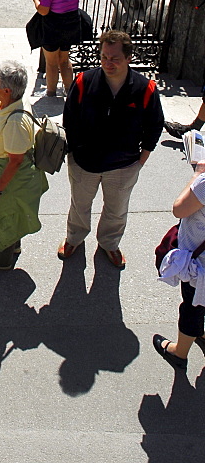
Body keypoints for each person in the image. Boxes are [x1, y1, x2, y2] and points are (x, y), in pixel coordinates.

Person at [59, 30, 164, 268]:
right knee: (79, 206)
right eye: (104, 56)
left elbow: (155, 124)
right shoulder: (84, 81)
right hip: (84, 162)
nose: (108, 63)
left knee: (116, 211)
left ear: (128, 58)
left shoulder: (144, 88)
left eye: (115, 58)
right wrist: (74, 153)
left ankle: (109, 244)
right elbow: (70, 119)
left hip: (123, 165)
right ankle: (74, 239)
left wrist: (141, 160)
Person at [0, 60, 48, 269]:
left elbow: (15, 162)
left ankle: (0, 259)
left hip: (9, 179)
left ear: (6, 90)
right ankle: (9, 245)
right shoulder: (11, 104)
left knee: (3, 216)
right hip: (4, 172)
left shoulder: (15, 122)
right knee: (9, 216)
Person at [153, 158, 205, 370]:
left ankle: (179, 353)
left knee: (192, 307)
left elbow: (179, 209)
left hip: (199, 266)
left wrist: (197, 175)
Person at [31, 0, 81, 97]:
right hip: (71, 23)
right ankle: (69, 91)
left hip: (53, 25)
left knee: (51, 62)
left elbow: (44, 10)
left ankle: (51, 93)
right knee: (65, 60)